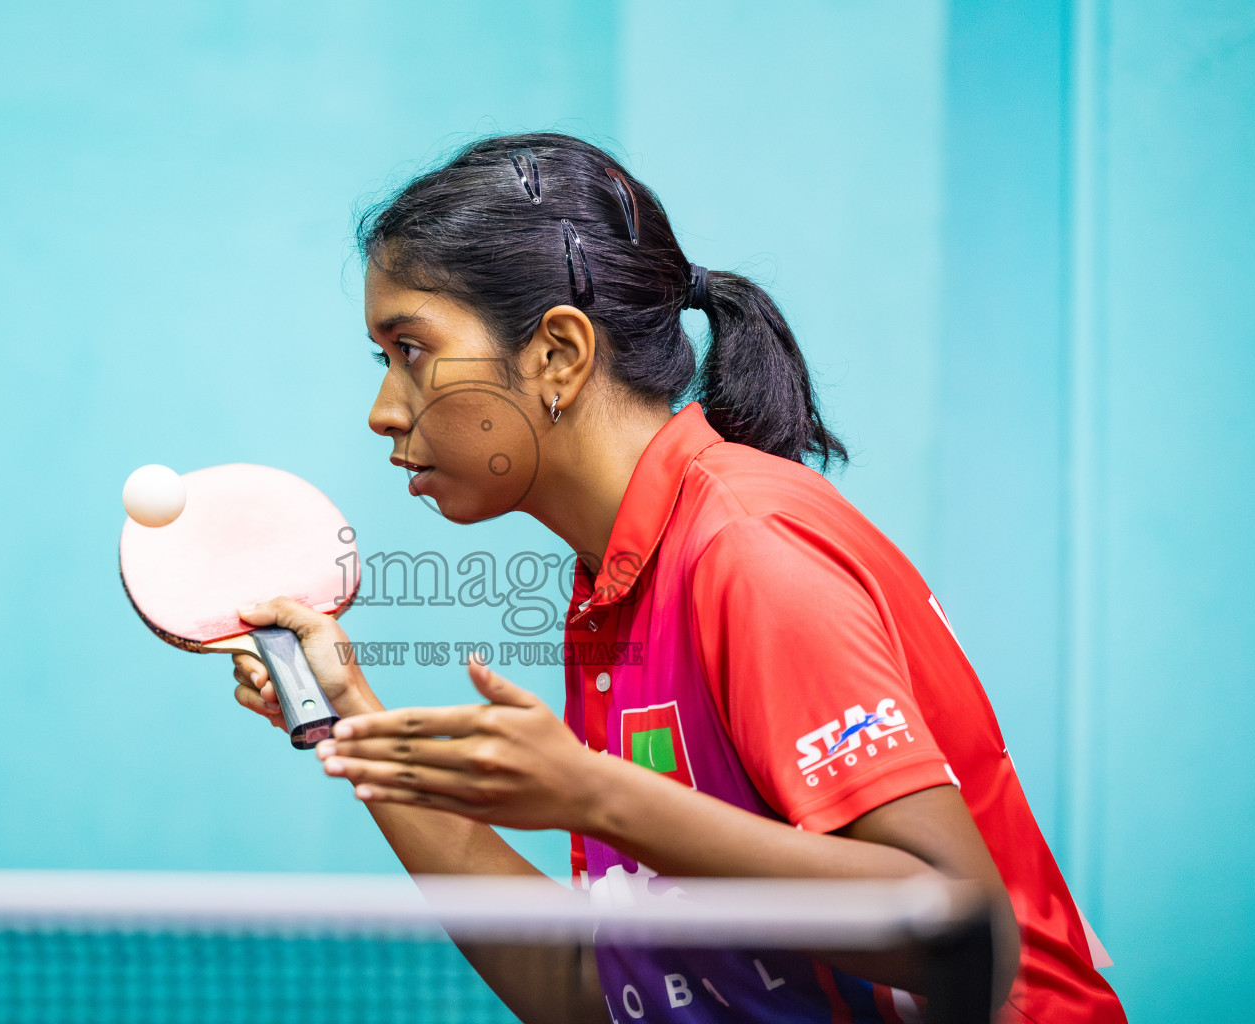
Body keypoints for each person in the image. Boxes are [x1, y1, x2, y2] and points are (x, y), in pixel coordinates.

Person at [231, 133, 1126, 1023]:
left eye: (411, 351)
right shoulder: (615, 587)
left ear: (558, 355)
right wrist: (359, 722)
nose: (385, 411)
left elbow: (965, 933)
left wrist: (593, 794)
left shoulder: (749, 550)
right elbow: (599, 994)